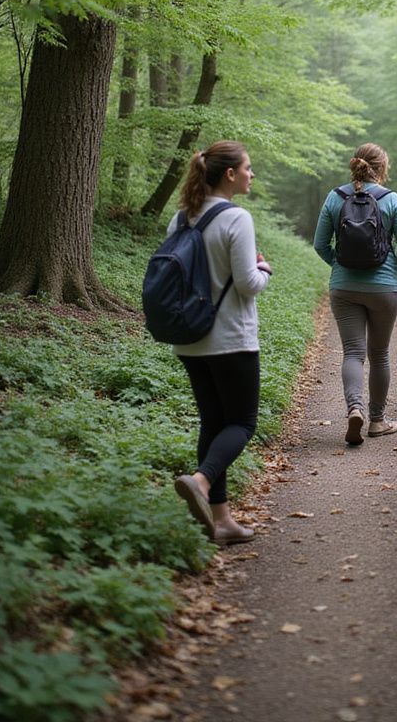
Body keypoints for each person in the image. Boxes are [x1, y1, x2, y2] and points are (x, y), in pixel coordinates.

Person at [171, 141, 272, 547]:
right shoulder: (236, 218)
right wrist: (264, 269)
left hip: (191, 338)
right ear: (229, 174)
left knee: (213, 423)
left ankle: (222, 521)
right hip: (231, 337)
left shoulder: (182, 217)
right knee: (243, 422)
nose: (251, 174)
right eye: (248, 168)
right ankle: (201, 479)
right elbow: (248, 284)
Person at [313, 142, 397, 446]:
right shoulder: (391, 199)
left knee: (353, 353)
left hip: (344, 287)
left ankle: (354, 408)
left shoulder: (335, 197)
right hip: (384, 287)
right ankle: (378, 421)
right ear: (382, 168)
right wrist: (394, 270)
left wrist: (339, 264)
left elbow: (320, 244)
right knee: (379, 353)